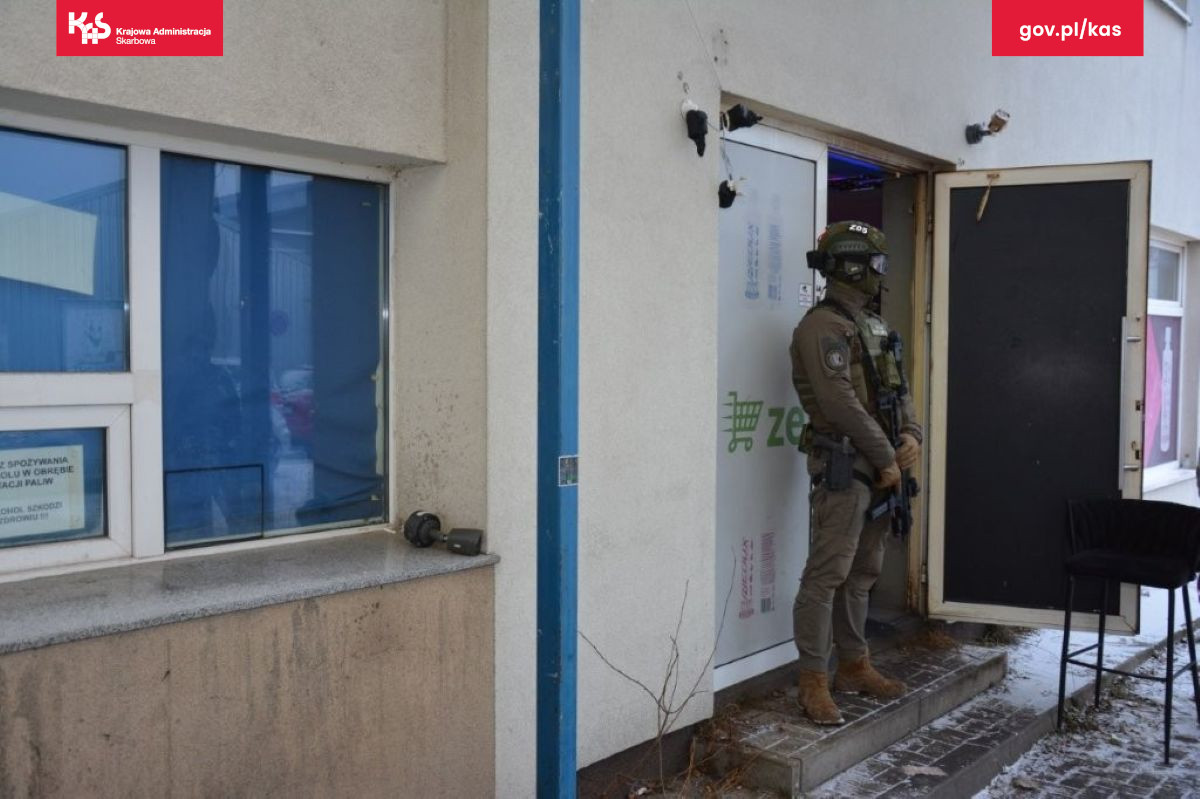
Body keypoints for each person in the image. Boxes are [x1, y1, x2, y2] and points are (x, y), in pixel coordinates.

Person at [788, 220, 923, 725]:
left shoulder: (874, 326)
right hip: (846, 465)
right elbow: (838, 402)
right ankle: (813, 682)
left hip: (882, 466)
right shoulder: (821, 327)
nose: (880, 274)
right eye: (875, 264)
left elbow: (900, 389)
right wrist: (886, 457)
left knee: (863, 572)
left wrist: (912, 435)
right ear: (850, 266)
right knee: (827, 575)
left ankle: (853, 665)